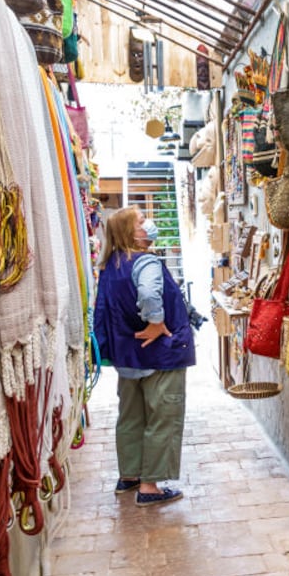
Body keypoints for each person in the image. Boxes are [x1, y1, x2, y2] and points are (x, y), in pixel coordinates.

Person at [93, 206, 195, 507]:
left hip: (128, 356)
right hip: (159, 355)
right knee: (163, 417)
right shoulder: (145, 261)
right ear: (131, 232)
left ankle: (129, 476)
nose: (148, 223)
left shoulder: (111, 265)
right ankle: (150, 487)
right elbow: (149, 294)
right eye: (141, 221)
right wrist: (156, 321)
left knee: (130, 418)